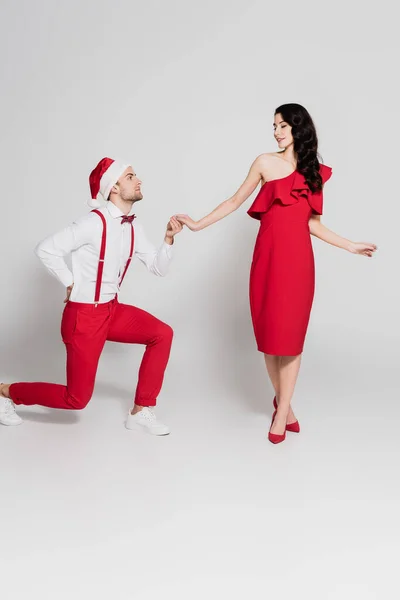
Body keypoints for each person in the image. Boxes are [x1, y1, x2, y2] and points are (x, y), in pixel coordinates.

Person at [176, 103, 377, 444]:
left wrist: (350, 245)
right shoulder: (264, 162)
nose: (276, 131)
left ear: (299, 128)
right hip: (267, 259)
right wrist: (197, 224)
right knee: (270, 339)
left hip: (298, 263)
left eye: (282, 125)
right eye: (274, 126)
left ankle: (281, 412)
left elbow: (314, 225)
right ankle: (287, 407)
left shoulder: (314, 171)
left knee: (292, 340)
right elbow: (234, 201)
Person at [0, 157, 183, 435]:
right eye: (131, 176)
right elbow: (46, 248)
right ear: (114, 188)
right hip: (83, 317)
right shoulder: (92, 223)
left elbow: (159, 268)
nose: (139, 180)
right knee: (76, 399)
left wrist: (168, 240)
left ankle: (141, 410)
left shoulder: (133, 226)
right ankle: (6, 393)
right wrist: (69, 281)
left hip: (111, 311)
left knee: (162, 334)